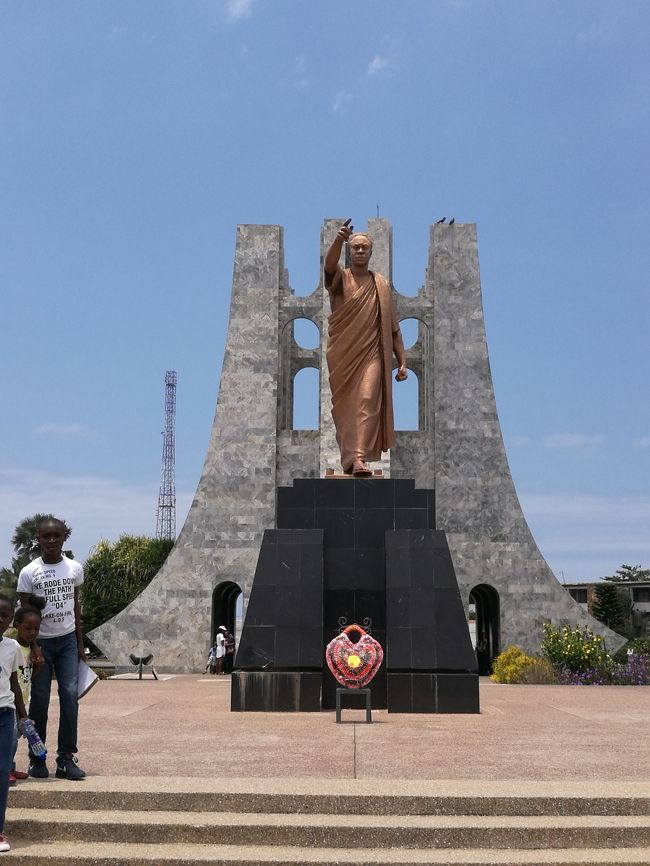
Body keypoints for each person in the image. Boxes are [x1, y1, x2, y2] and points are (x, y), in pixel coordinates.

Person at [324, 219, 408, 476]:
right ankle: (349, 459)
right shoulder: (341, 278)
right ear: (349, 253)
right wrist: (339, 239)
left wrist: (402, 360)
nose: (360, 251)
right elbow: (328, 267)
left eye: (364, 248)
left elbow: (393, 327)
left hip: (372, 353)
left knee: (367, 399)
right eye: (355, 248)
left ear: (371, 253)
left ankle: (359, 458)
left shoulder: (380, 284)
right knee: (346, 408)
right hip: (343, 356)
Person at [17, 517, 86, 780]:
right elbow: (25, 615)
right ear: (39, 538)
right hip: (42, 641)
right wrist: (33, 647)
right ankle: (38, 756)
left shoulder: (74, 569)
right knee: (40, 701)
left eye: (56, 535)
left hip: (67, 639)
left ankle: (66, 758)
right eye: (46, 536)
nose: (52, 540)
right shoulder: (29, 572)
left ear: (64, 537)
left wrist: (80, 644)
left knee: (70, 697)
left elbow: (75, 607)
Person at [0, 594, 29, 853]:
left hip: (4, 716)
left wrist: (22, 715)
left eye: (4, 615)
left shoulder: (12, 648)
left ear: (11, 619)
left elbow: (14, 684)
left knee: (0, 774)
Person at [9, 597, 46, 783]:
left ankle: (10, 767)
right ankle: (5, 768)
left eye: (36, 629)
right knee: (9, 737)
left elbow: (29, 677)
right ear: (17, 625)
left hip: (23, 698)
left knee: (14, 737)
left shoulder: (32, 650)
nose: (32, 632)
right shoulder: (12, 647)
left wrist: (39, 664)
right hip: (9, 700)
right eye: (28, 628)